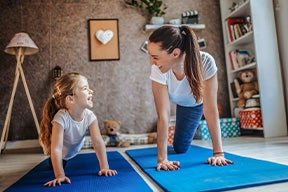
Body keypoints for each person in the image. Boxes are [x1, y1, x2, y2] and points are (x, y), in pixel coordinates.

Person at [147, 25, 234, 171]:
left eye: (155, 57)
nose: (152, 62)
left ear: (175, 53)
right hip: (178, 101)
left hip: (195, 105)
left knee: (180, 148)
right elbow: (163, 114)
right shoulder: (158, 69)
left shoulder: (206, 62)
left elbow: (211, 109)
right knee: (178, 148)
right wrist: (162, 159)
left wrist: (218, 153)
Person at [39, 73, 117, 187]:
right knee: (55, 164)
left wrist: (105, 167)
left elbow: (98, 142)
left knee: (81, 164)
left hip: (75, 150)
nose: (91, 91)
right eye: (85, 88)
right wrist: (60, 175)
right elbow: (56, 148)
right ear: (70, 99)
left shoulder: (90, 116)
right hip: (62, 155)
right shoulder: (60, 118)